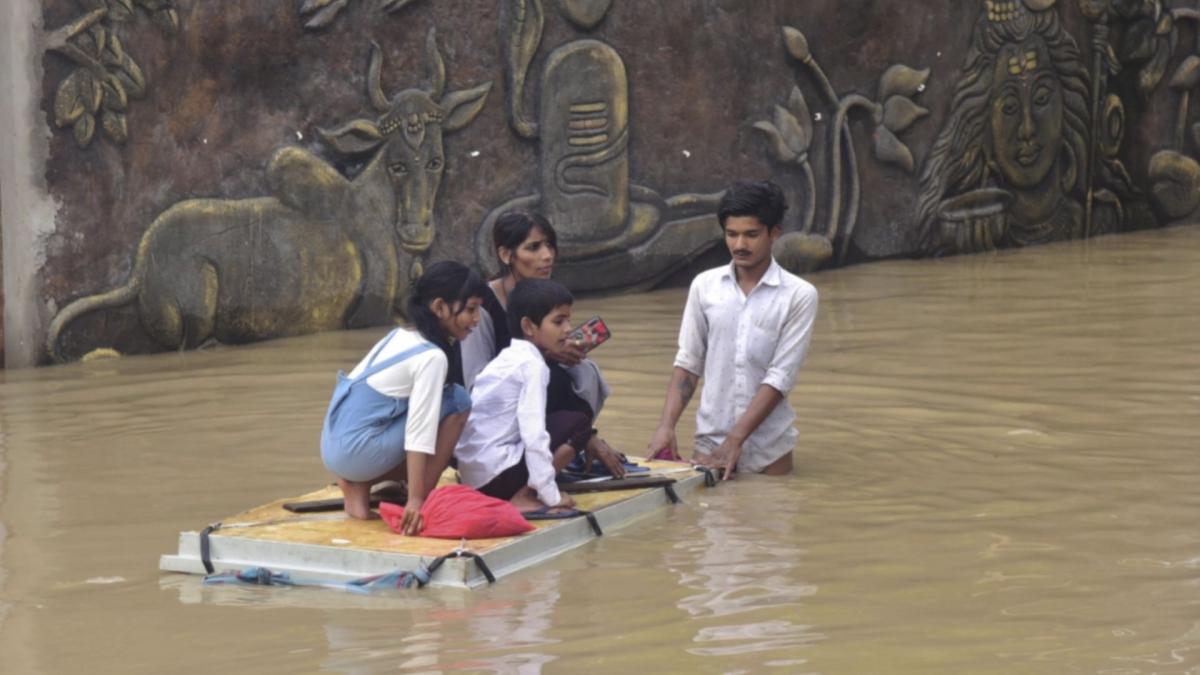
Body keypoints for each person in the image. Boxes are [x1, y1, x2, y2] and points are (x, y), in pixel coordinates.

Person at [646, 180, 818, 479]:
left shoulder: (799, 295)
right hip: (710, 444)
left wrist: (736, 439)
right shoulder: (705, 286)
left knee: (773, 515)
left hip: (770, 449)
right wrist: (666, 427)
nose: (740, 245)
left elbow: (780, 377)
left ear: (773, 232)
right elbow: (688, 363)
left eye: (751, 235)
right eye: (731, 234)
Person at [320, 261, 486, 531]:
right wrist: (416, 499)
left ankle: (357, 485)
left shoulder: (401, 335)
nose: (477, 319)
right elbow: (419, 432)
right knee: (458, 401)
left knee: (438, 403)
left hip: (332, 447)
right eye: (470, 309)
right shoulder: (431, 356)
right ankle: (421, 504)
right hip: (356, 451)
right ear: (440, 307)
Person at [461, 210, 625, 477]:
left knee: (583, 370)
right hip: (492, 419)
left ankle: (564, 446)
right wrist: (546, 354)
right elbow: (476, 383)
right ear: (506, 255)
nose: (547, 256)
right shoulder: (483, 306)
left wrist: (555, 352)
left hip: (531, 397)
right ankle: (539, 464)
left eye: (549, 245)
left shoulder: (543, 296)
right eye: (533, 247)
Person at [455, 278, 591, 512]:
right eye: (558, 321)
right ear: (528, 327)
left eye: (568, 320)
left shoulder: (508, 357)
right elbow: (534, 434)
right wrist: (551, 495)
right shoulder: (532, 365)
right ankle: (525, 495)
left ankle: (528, 486)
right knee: (580, 425)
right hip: (496, 478)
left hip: (473, 477)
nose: (568, 329)